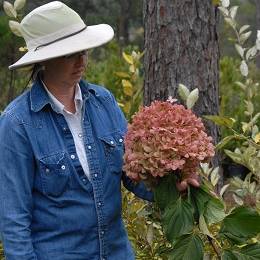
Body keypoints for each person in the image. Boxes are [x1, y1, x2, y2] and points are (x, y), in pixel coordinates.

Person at [0, 1, 199, 260]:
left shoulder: (103, 101)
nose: (82, 59)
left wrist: (175, 185)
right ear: (45, 60)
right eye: (70, 53)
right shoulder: (17, 123)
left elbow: (133, 174)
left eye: (84, 50)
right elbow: (14, 219)